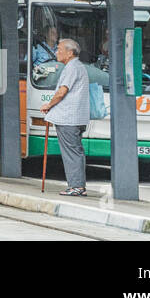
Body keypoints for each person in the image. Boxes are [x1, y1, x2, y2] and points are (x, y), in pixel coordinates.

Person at [40, 38, 91, 197]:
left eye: (59, 49)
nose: (56, 52)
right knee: (75, 151)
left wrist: (48, 105)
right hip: (76, 117)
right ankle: (77, 185)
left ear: (69, 53)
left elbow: (62, 91)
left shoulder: (72, 68)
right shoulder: (77, 67)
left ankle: (76, 186)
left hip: (69, 118)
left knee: (71, 152)